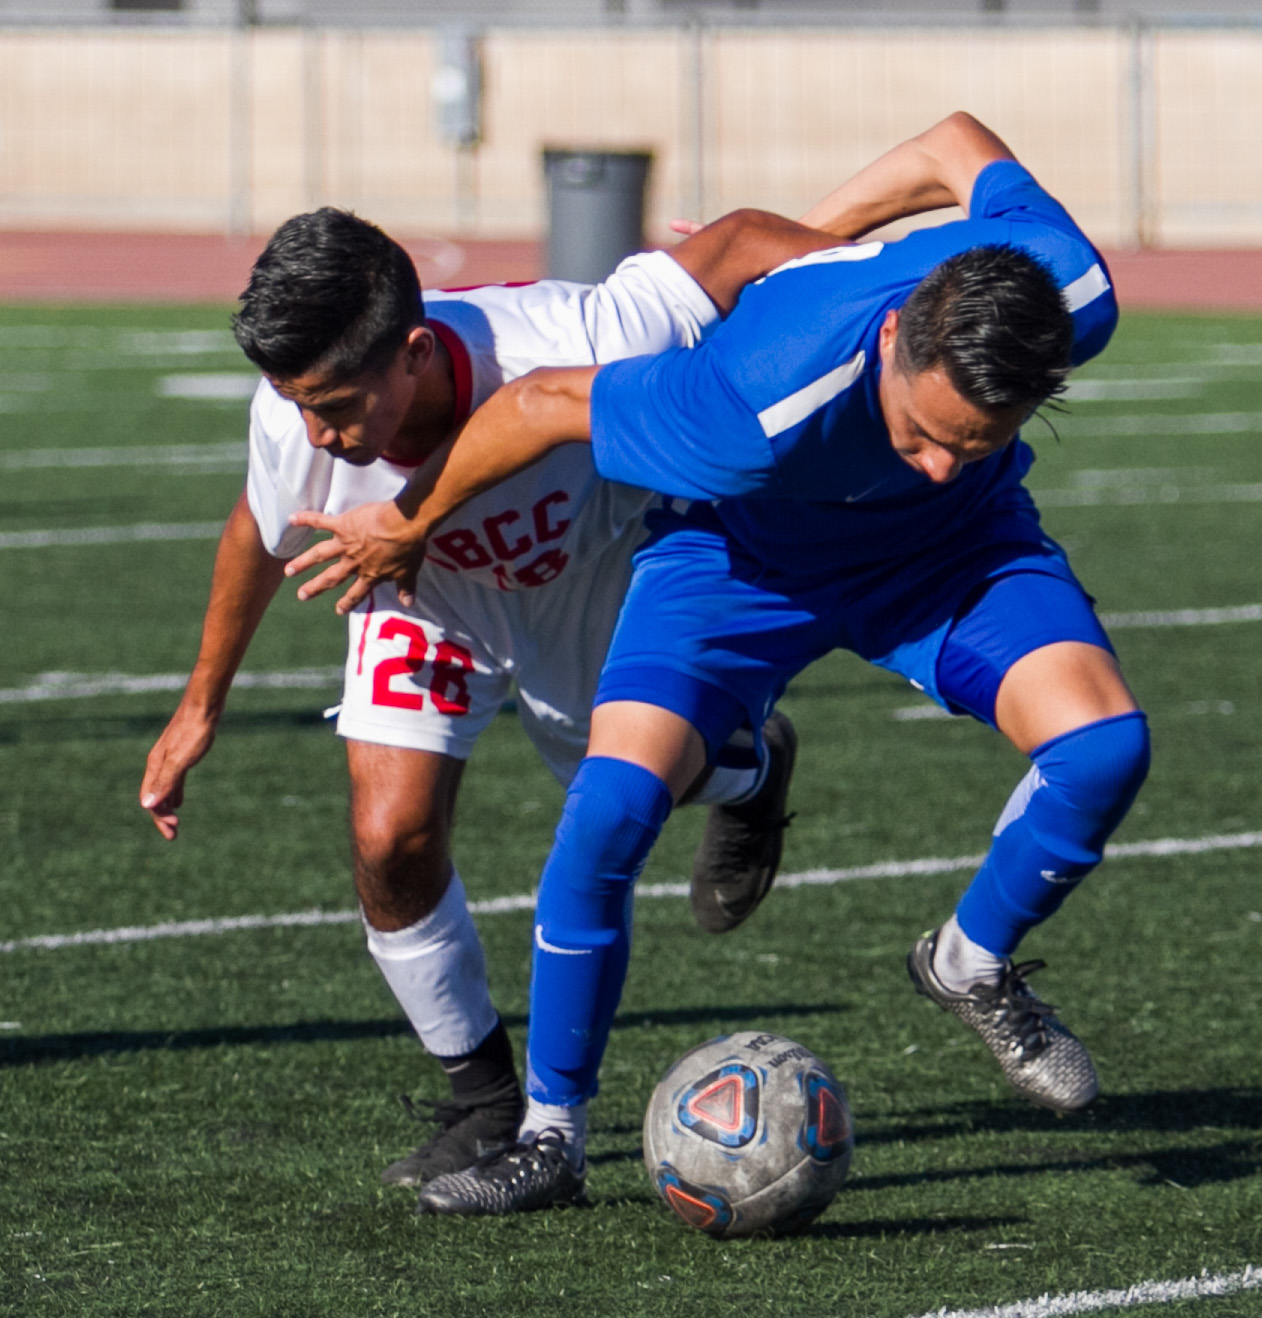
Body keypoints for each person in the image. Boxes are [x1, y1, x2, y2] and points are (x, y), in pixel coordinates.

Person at [284, 112, 1152, 1216]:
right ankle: (551, 1135)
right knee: (609, 811)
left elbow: (953, 143)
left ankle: (971, 961)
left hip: (951, 555)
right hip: (743, 556)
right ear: (891, 342)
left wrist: (826, 240)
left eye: (974, 440)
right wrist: (409, 520)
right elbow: (542, 401)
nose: (938, 461)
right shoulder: (745, 405)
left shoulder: (1067, 295)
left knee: (1107, 746)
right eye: (923, 433)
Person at [138, 204, 841, 1190]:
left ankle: (750, 766)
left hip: (590, 577)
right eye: (297, 403)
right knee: (390, 837)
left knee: (644, 788)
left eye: (337, 404)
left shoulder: (582, 336)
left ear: (416, 351)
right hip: (426, 600)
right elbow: (258, 533)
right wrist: (199, 705)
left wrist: (895, 281)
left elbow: (735, 245)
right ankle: (483, 1101)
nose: (317, 431)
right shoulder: (294, 416)